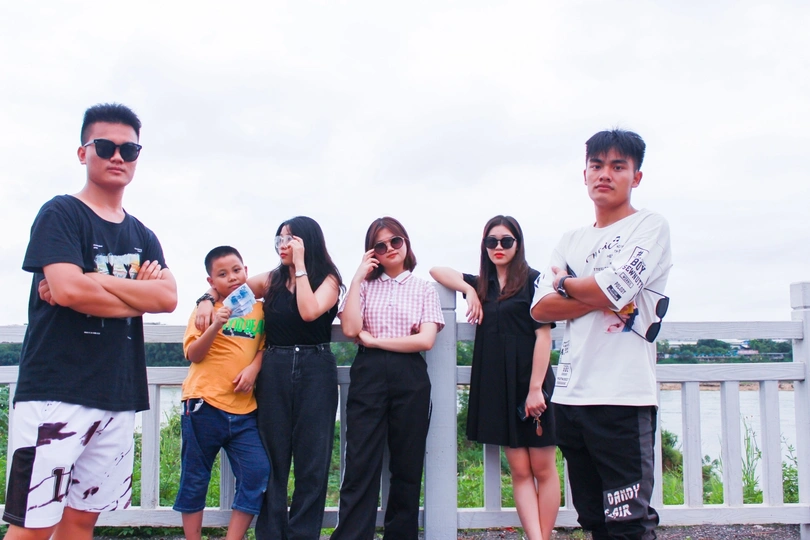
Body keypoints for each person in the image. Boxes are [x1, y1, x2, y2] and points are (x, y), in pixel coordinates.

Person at [3, 103, 178, 540]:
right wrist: (135, 296)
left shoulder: (143, 235)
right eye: (105, 146)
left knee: (82, 522)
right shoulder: (61, 214)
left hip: (118, 394)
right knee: (33, 526)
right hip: (54, 394)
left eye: (129, 150)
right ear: (84, 152)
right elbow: (67, 291)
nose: (118, 156)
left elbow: (167, 298)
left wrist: (94, 279)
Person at [530, 129, 672, 539]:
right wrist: (599, 292)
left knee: (629, 522)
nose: (604, 174)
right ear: (585, 174)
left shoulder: (649, 226)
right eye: (596, 165)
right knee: (592, 519)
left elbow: (615, 287)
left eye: (617, 166)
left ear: (636, 177)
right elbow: (540, 308)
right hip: (571, 398)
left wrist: (566, 283)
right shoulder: (570, 239)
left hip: (623, 399)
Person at [195, 216, 343, 540]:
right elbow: (229, 288)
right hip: (274, 366)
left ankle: (303, 535)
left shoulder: (328, 279)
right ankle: (272, 534)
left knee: (312, 461)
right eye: (279, 240)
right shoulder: (272, 280)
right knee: (273, 458)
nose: (283, 246)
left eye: (290, 240)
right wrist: (205, 300)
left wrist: (300, 267)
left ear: (307, 242)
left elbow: (309, 311)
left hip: (315, 368)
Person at [430, 215, 559, 540]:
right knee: (519, 470)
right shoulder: (482, 284)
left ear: (518, 244)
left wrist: (535, 389)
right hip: (498, 385)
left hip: (532, 382)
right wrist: (468, 290)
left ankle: (544, 536)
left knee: (543, 468)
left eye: (506, 241)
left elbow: (543, 336)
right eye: (491, 241)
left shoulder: (535, 281)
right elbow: (437, 270)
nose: (498, 247)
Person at [331, 217, 445, 540]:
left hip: (410, 375)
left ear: (405, 243)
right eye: (380, 246)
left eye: (395, 241)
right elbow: (351, 328)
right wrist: (357, 276)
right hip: (368, 374)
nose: (390, 249)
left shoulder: (424, 289)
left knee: (407, 464)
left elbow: (425, 340)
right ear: (372, 253)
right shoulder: (365, 288)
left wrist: (377, 340)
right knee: (359, 461)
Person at [174, 246, 270, 540]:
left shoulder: (261, 310)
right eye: (223, 274)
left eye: (237, 270)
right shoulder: (206, 309)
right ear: (211, 281)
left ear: (246, 270)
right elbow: (193, 354)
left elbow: (264, 348)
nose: (232, 277)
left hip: (244, 410)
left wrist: (253, 369)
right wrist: (216, 322)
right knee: (195, 478)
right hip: (203, 404)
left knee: (256, 472)